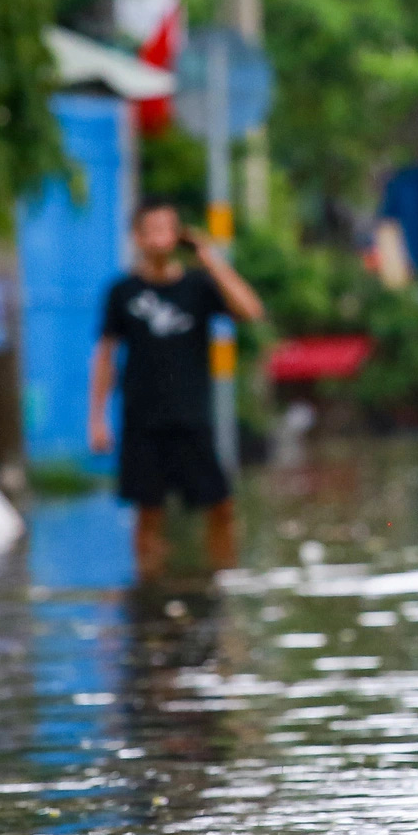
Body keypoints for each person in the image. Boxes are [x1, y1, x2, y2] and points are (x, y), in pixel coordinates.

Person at [89, 202, 264, 579]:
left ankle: (220, 582)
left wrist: (211, 261)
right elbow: (105, 355)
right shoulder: (122, 292)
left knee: (221, 506)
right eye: (152, 228)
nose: (160, 237)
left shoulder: (199, 286)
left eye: (169, 228)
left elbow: (250, 312)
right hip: (142, 419)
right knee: (147, 512)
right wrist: (97, 419)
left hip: (191, 418)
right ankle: (151, 590)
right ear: (137, 237)